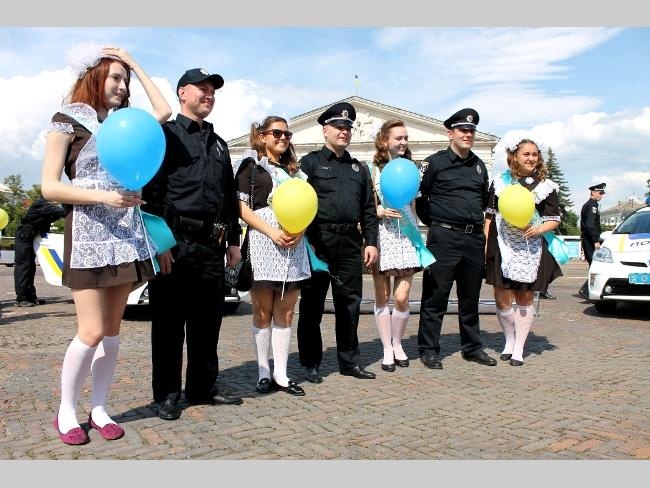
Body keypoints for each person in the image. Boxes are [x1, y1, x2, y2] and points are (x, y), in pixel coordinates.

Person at [41, 44, 171, 445]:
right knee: (92, 330)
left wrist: (134, 62)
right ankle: (66, 410)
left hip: (125, 233)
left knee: (112, 332)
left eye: (125, 80)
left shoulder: (123, 123)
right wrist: (104, 197)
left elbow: (164, 111)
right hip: (87, 233)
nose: (122, 86)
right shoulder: (66, 121)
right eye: (115, 77)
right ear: (95, 77)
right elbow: (49, 187)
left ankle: (99, 408)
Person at [142, 68, 243, 421]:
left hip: (211, 247)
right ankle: (166, 394)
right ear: (182, 93)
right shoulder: (165, 136)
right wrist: (160, 243)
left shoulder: (219, 144)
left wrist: (233, 241)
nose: (209, 94)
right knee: (168, 326)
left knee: (207, 324)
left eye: (212, 90)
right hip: (174, 244)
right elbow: (151, 193)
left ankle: (202, 388)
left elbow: (229, 197)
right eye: (202, 88)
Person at [297, 102, 379, 382]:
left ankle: (349, 361)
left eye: (348, 127)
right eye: (338, 127)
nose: (344, 131)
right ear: (325, 130)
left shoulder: (359, 168)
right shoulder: (309, 163)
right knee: (312, 306)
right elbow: (298, 201)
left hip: (350, 244)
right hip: (318, 242)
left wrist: (371, 242)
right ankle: (310, 362)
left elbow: (368, 208)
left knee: (349, 305)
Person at [234, 116, 311, 396]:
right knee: (263, 312)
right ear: (262, 136)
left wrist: (300, 231)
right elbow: (242, 208)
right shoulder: (251, 166)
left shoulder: (296, 173)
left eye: (287, 134)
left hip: (293, 246)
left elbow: (308, 207)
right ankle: (263, 372)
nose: (283, 138)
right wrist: (271, 232)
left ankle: (281, 373)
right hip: (264, 242)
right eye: (277, 133)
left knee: (286, 312)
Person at [415, 108, 497, 369]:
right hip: (444, 238)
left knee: (470, 297)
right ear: (450, 133)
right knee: (435, 296)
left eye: (471, 130)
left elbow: (483, 202)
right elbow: (420, 199)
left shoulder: (479, 166)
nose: (468, 134)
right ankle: (429, 349)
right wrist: (438, 225)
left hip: (473, 239)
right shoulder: (434, 163)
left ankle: (472, 348)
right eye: (463, 130)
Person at [485, 136, 563, 366]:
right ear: (514, 157)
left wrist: (539, 229)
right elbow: (489, 216)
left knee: (524, 297)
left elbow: (554, 219)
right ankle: (509, 340)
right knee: (501, 299)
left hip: (530, 246)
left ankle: (518, 347)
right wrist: (485, 245)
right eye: (526, 154)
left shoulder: (545, 185)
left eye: (534, 154)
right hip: (502, 244)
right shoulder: (500, 182)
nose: (531, 158)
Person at [367, 120, 430, 372]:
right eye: (398, 138)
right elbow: (366, 206)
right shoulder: (372, 170)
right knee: (382, 296)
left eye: (405, 138)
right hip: (383, 236)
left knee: (402, 297)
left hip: (407, 237)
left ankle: (398, 343)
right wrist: (379, 211)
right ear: (384, 141)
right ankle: (386, 348)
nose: (403, 142)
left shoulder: (412, 169)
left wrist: (420, 237)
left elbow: (414, 206)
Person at [13, 197, 65, 307]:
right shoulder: (41, 203)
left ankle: (31, 297)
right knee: (24, 267)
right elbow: (61, 212)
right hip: (24, 235)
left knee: (31, 267)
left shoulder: (48, 206)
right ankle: (21, 298)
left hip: (31, 236)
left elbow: (62, 214)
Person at [578, 182, 605, 298]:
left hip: (588, 238)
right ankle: (586, 289)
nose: (602, 195)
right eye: (600, 193)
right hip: (590, 239)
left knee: (594, 264)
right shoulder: (592, 205)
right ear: (593, 193)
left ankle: (586, 289)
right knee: (594, 265)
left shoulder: (590, 204)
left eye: (602, 193)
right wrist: (595, 241)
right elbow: (590, 225)